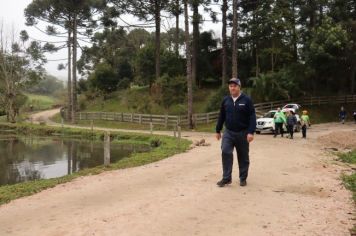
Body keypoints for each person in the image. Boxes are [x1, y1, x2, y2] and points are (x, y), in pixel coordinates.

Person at [215, 78, 256, 187]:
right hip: (228, 132)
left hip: (243, 133)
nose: (232, 88)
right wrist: (218, 130)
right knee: (225, 151)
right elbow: (221, 115)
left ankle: (243, 178)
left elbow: (252, 116)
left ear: (239, 87)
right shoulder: (226, 100)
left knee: (243, 156)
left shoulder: (246, 100)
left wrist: (251, 132)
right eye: (230, 86)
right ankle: (226, 178)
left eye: (234, 86)